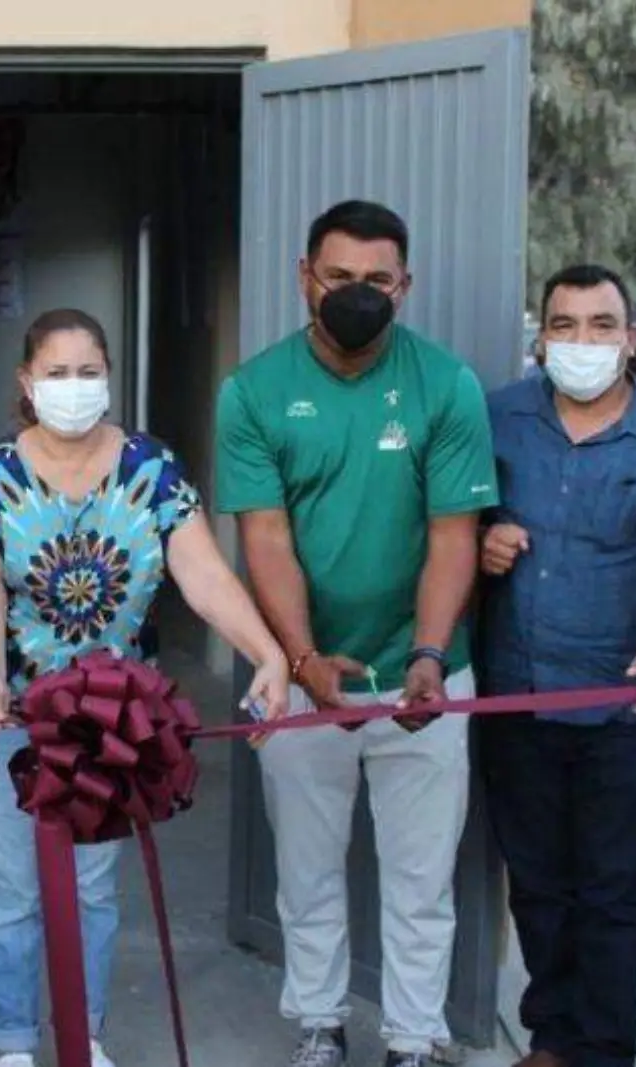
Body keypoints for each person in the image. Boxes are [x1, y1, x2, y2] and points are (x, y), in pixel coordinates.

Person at [0, 309, 292, 1067]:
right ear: (26, 383)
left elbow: (202, 573)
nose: (73, 388)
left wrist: (268, 651)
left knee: (92, 883)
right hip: (1, 709)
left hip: (108, 709)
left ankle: (85, 1034)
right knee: (13, 888)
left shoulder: (152, 468)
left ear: (109, 377)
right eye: (56, 373)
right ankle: (11, 1042)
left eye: (88, 372)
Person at [213, 200, 498, 1067]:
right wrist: (300, 660)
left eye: (377, 280)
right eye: (338, 277)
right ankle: (321, 1023)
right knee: (308, 868)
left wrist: (427, 654)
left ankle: (414, 1039)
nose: (357, 295)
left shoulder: (445, 385)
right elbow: (264, 534)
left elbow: (455, 534)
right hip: (300, 676)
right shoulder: (254, 391)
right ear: (306, 278)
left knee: (420, 878)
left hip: (425, 673)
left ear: (403, 286)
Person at [476, 264, 636, 1067]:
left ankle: (606, 1048)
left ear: (633, 334)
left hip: (624, 711)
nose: (582, 341)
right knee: (538, 885)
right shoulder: (498, 418)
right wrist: (484, 542)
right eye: (565, 325)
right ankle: (551, 1037)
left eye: (601, 324)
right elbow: (451, 528)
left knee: (616, 893)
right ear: (540, 337)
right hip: (519, 700)